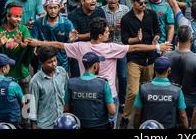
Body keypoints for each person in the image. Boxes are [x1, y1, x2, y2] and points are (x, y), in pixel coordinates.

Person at [29, 17, 171, 129]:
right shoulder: (112, 47)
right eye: (108, 31)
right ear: (101, 35)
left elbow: (57, 45)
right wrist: (158, 46)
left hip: (84, 94)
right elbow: (135, 48)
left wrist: (38, 43)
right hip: (109, 94)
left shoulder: (79, 47)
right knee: (109, 123)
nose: (109, 33)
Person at [119, 0, 161, 128]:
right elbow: (125, 41)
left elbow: (158, 30)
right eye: (140, 3)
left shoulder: (152, 14)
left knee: (147, 90)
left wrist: (156, 37)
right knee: (133, 91)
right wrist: (136, 39)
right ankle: (125, 118)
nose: (143, 5)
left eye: (145, 3)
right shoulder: (126, 19)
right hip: (135, 59)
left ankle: (145, 117)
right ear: (132, 3)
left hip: (150, 58)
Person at [0, 2, 34, 94]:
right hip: (5, 77)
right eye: (16, 16)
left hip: (22, 74)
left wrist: (20, 42)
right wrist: (0, 44)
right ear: (8, 17)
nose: (19, 19)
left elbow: (26, 45)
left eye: (20, 16)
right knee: (7, 105)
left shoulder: (23, 29)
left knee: (27, 105)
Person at [133, 56, 189, 129]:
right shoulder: (177, 90)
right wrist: (186, 127)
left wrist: (136, 127)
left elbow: (137, 113)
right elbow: (183, 115)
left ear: (154, 69)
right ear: (169, 70)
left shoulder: (143, 88)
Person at [166, 25, 196, 121]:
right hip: (190, 104)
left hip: (171, 100)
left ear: (177, 38)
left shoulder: (167, 57)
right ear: (191, 39)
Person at [66, 52, 115, 129]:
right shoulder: (103, 84)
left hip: (78, 125)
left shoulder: (70, 83)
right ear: (95, 66)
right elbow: (112, 111)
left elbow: (66, 109)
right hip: (100, 125)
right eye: (99, 63)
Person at [31, 0, 75, 73]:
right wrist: (34, 47)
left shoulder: (67, 23)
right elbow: (33, 40)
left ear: (59, 8)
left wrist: (71, 40)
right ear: (45, 8)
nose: (53, 11)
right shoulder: (38, 22)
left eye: (55, 8)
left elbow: (69, 45)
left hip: (61, 62)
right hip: (43, 61)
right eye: (50, 8)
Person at [28, 46, 68, 129]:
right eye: (50, 62)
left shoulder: (62, 72)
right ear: (41, 63)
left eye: (55, 60)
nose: (54, 64)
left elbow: (66, 93)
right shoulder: (35, 81)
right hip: (44, 125)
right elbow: (32, 107)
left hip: (61, 123)